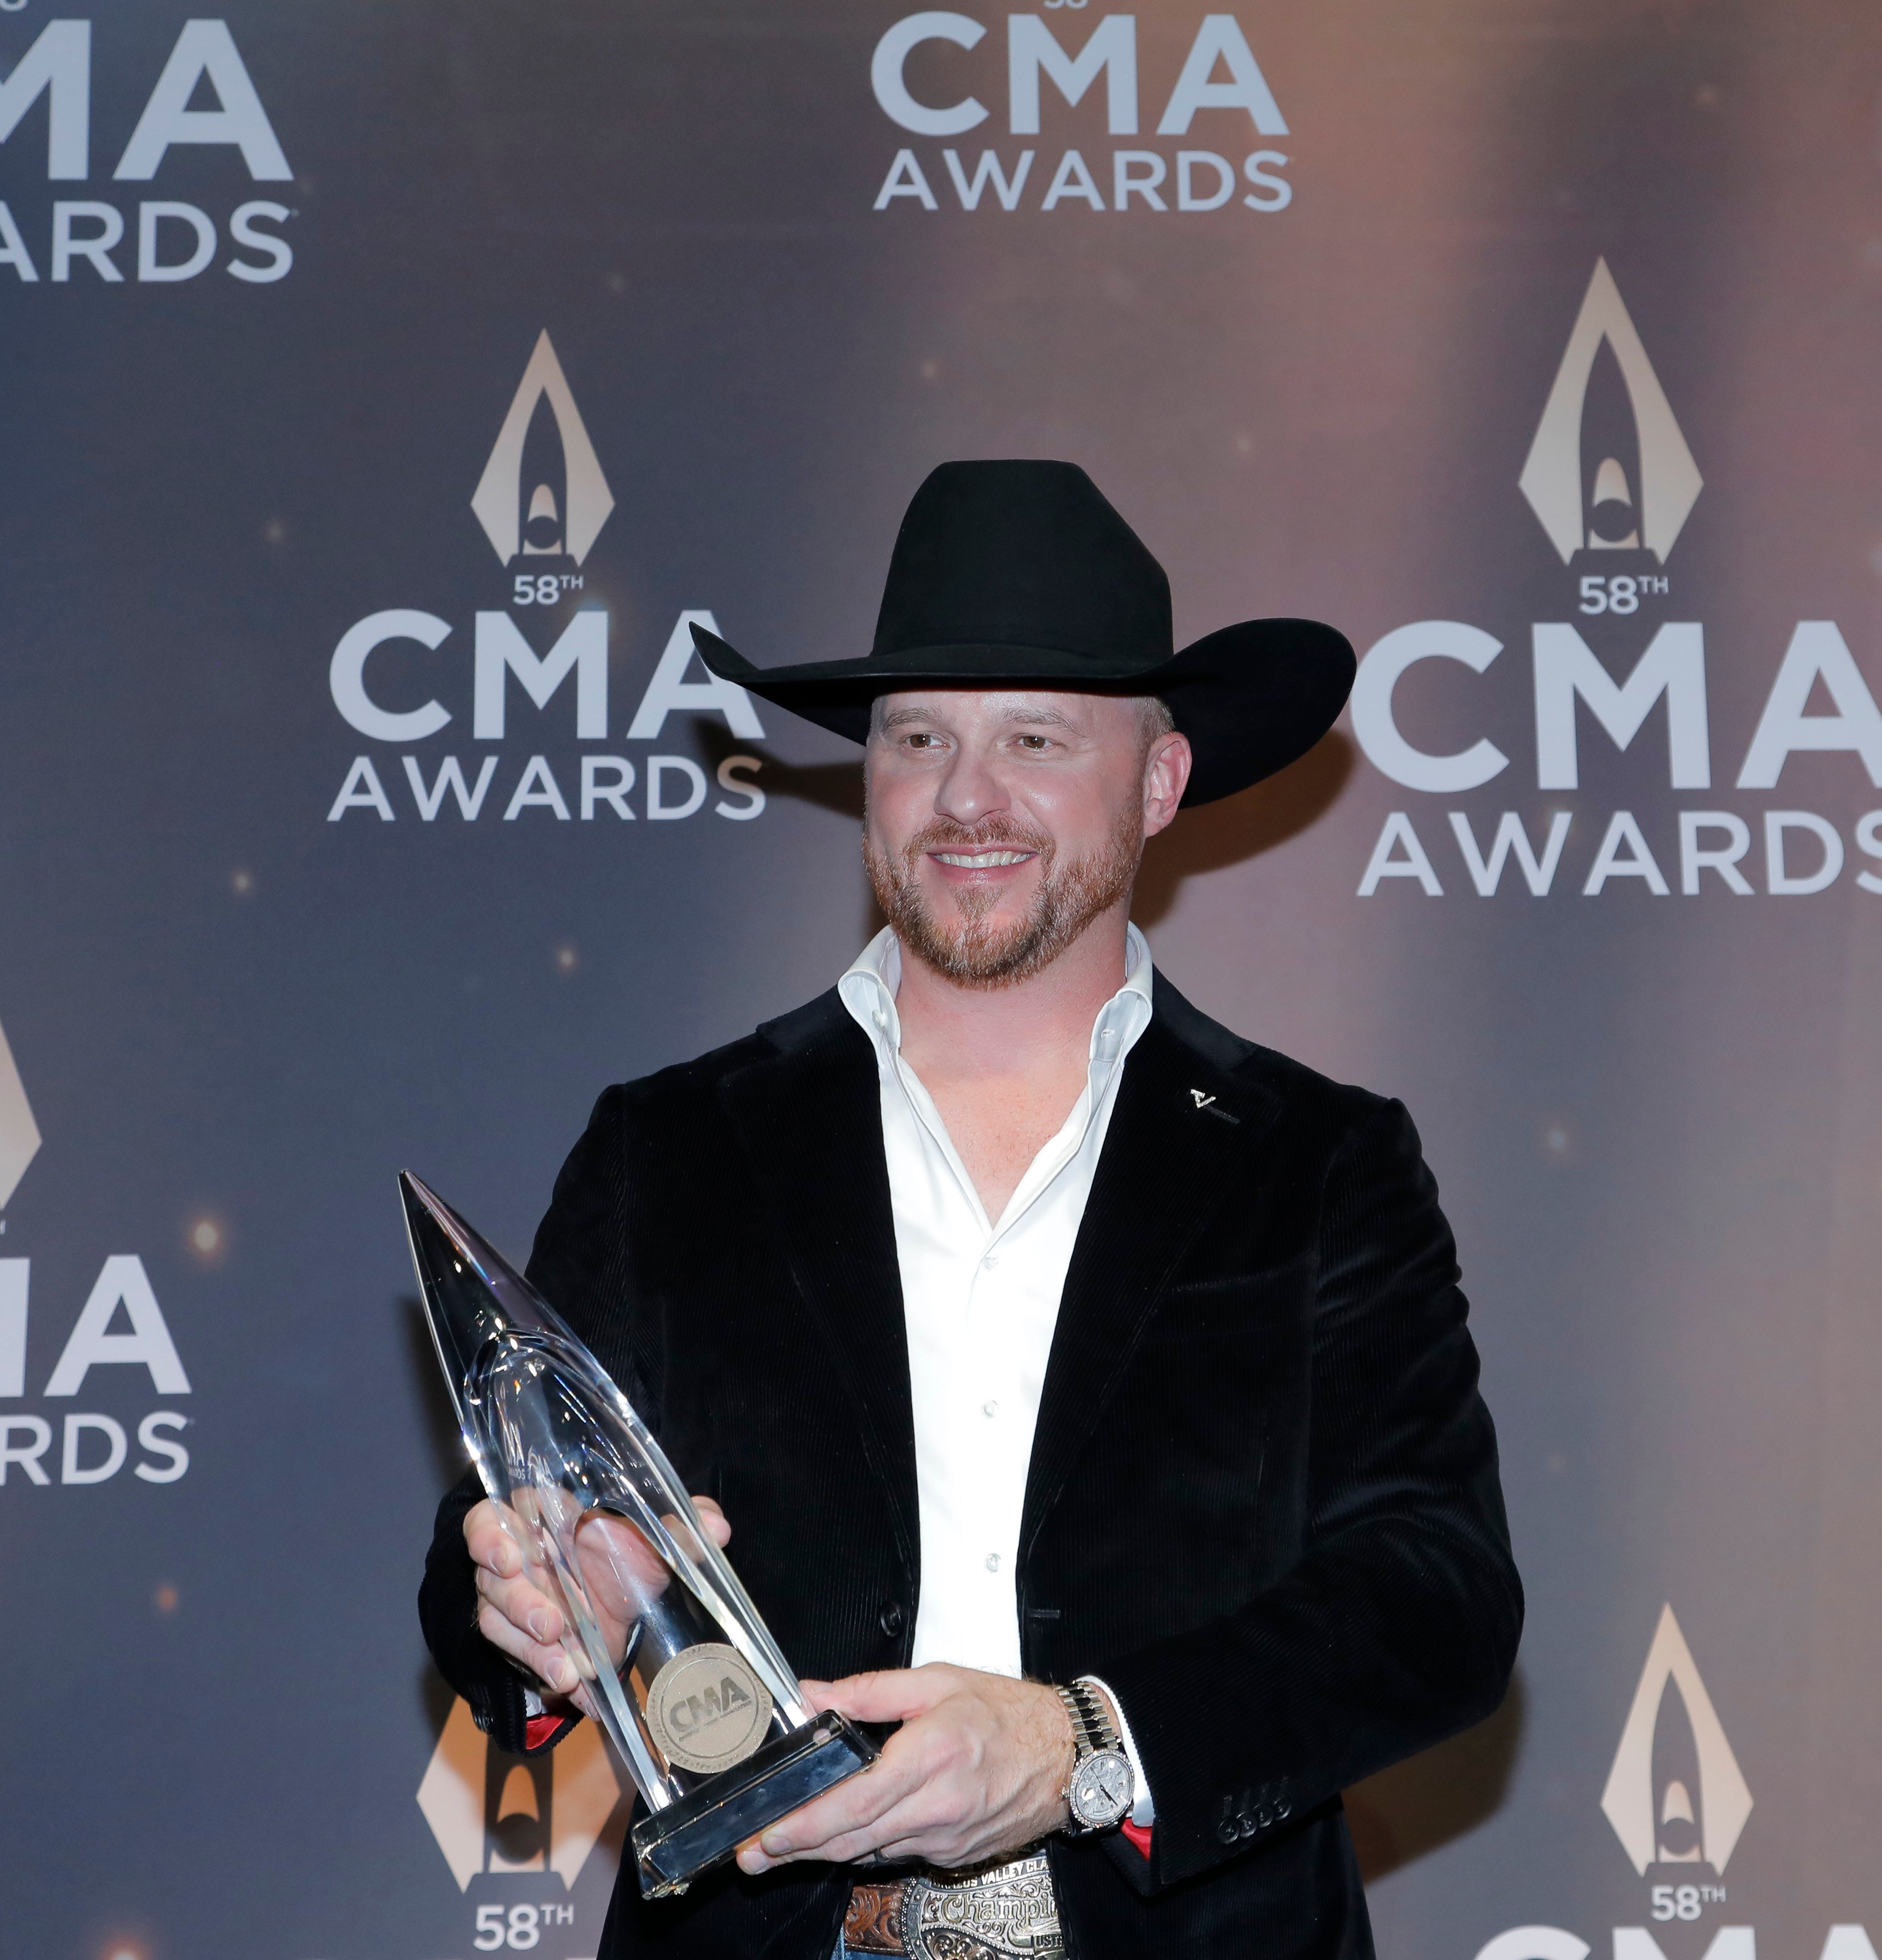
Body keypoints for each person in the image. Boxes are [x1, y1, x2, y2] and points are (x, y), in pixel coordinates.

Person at [419, 460, 1520, 1960]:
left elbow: (1436, 1595)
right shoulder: (671, 1144)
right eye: (917, 736)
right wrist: (551, 1601)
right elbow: (497, 1537)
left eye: (1035, 737)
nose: (966, 796)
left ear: (1158, 779)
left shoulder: (1316, 1160)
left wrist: (1083, 1742)